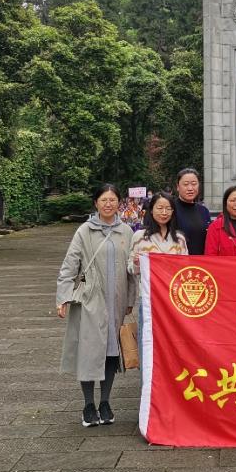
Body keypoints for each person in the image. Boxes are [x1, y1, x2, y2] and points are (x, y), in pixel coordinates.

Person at [56, 184, 135, 427]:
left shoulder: (126, 231)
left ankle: (105, 402)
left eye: (112, 200)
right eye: (104, 200)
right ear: (96, 203)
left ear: (119, 203)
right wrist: (63, 297)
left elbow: (131, 271)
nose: (108, 204)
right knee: (89, 351)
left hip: (116, 301)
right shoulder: (85, 231)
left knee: (111, 351)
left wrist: (130, 300)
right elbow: (70, 264)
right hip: (91, 301)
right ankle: (89, 404)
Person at [128, 192, 187, 346]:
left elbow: (186, 271)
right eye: (159, 208)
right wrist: (136, 263)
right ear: (151, 210)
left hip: (174, 299)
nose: (164, 212)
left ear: (173, 212)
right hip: (148, 299)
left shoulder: (180, 239)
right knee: (148, 341)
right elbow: (131, 269)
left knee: (173, 342)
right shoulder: (139, 236)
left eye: (168, 208)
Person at [173, 168, 211, 256]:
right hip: (178, 261)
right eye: (185, 184)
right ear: (178, 187)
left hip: (201, 262)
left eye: (194, 184)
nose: (190, 188)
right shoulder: (170, 209)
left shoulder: (204, 211)